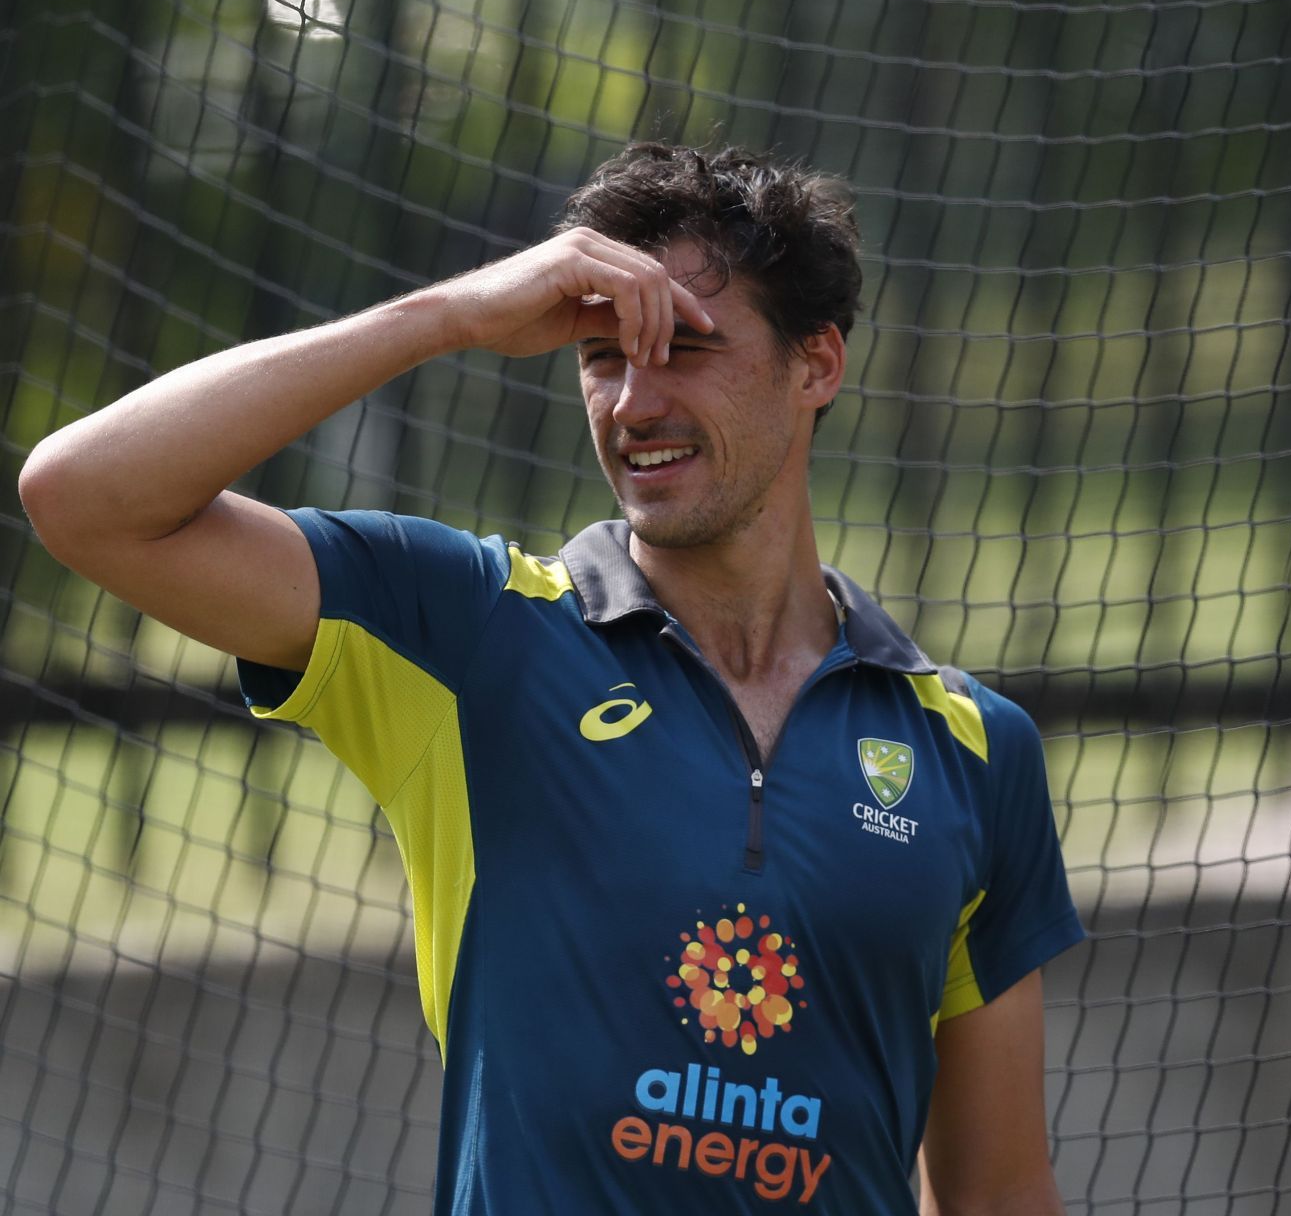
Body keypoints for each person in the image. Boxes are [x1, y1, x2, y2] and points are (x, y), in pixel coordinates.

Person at [19, 143, 1084, 1214]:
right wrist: (447, 317)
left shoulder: (973, 751)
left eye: (687, 346)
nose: (632, 402)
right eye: (602, 355)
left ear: (817, 364)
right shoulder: (472, 632)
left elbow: (997, 1190)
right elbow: (83, 495)